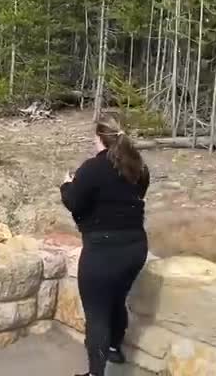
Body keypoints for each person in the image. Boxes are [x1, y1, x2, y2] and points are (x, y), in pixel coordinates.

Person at [59, 114, 151, 376]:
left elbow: (75, 202)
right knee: (116, 299)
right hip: (135, 247)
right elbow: (134, 195)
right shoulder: (138, 167)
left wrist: (66, 185)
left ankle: (95, 373)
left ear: (100, 138)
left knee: (97, 312)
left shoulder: (92, 168)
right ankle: (114, 348)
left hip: (103, 250)